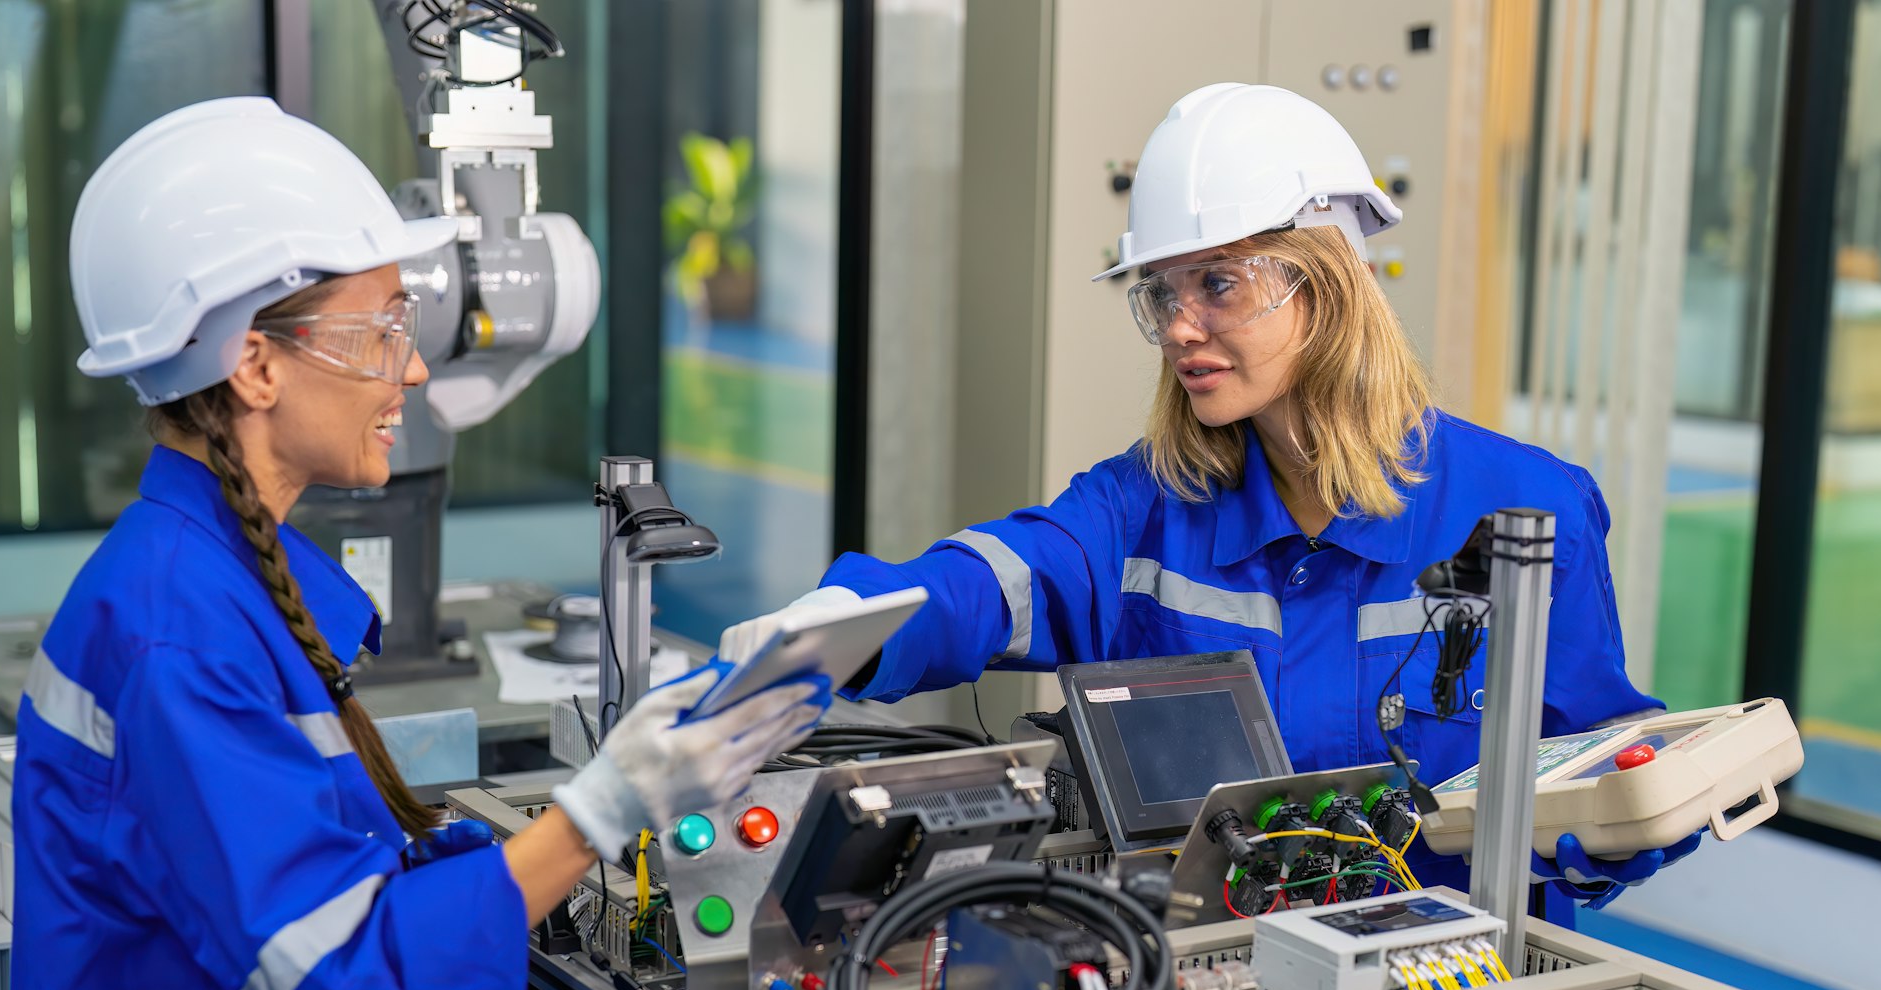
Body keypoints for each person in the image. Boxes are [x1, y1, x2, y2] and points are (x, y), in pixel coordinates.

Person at [8, 98, 822, 990]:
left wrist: (510, 858)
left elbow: (318, 878)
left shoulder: (223, 581)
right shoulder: (177, 630)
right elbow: (333, 966)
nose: (412, 367)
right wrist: (599, 812)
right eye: (381, 327)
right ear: (255, 362)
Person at [723, 83, 1697, 917]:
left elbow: (1608, 767)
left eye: (1218, 283)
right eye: (1161, 292)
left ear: (1324, 288)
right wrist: (846, 620)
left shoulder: (1528, 511)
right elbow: (997, 576)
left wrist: (1605, 835)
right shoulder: (1146, 509)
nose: (1180, 327)